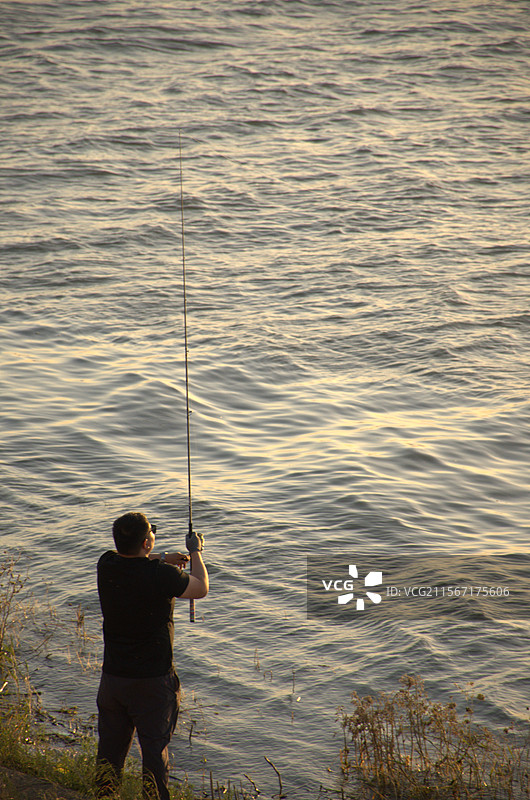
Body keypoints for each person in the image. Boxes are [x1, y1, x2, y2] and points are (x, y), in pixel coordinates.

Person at [95, 511, 209, 800]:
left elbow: (133, 561)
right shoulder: (162, 575)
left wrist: (164, 557)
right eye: (151, 534)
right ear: (146, 542)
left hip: (113, 679)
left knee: (109, 751)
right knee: (154, 753)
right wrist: (195, 552)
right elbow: (200, 588)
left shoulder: (106, 564)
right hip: (152, 682)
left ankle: (104, 796)